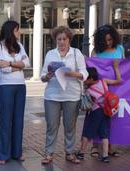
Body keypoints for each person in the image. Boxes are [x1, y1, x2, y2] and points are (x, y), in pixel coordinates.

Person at [40, 26, 88, 164]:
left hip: (72, 95)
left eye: (64, 39)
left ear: (69, 39)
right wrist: (48, 76)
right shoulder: (50, 54)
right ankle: (48, 154)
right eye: (59, 39)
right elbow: (42, 76)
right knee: (51, 126)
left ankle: (70, 153)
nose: (61, 42)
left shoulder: (76, 53)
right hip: (52, 95)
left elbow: (84, 73)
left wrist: (73, 73)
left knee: (70, 126)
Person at [0, 20, 30, 165]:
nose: (19, 33)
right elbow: (3, 69)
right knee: (5, 121)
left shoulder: (19, 45)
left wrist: (9, 63)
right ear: (9, 31)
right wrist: (17, 65)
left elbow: (27, 63)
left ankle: (17, 152)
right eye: (16, 30)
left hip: (21, 86)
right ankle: (3, 154)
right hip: (6, 86)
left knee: (19, 120)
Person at [76, 60, 121, 163]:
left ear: (91, 79)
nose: (83, 80)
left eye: (85, 79)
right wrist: (116, 67)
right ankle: (105, 155)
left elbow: (86, 106)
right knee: (104, 134)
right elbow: (118, 80)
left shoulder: (89, 91)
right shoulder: (104, 81)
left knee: (87, 132)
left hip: (95, 112)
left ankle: (81, 153)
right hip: (107, 112)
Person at [90, 24, 124, 157]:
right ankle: (95, 146)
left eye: (110, 39)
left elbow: (125, 67)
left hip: (116, 87)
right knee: (96, 116)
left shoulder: (120, 48)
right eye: (105, 40)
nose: (108, 42)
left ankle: (111, 146)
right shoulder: (95, 52)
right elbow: (92, 72)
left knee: (112, 115)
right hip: (99, 89)